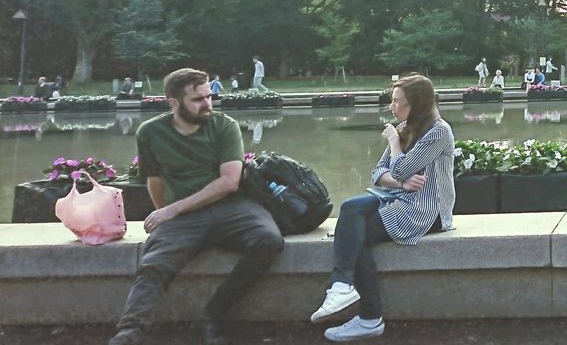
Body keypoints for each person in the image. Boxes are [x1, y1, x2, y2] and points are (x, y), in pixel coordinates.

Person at [108, 68, 282, 345]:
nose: (207, 104)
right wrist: (167, 214)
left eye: (208, 96)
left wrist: (172, 210)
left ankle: (213, 314)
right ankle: (129, 332)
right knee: (154, 264)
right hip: (185, 215)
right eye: (198, 99)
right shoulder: (150, 132)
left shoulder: (225, 125)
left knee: (269, 241)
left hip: (232, 207)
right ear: (173, 103)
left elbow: (229, 182)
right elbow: (155, 180)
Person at [310, 74, 454, 342]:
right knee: (351, 207)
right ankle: (341, 285)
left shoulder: (439, 132)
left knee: (357, 234)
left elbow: (397, 167)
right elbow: (378, 174)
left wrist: (393, 142)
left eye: (398, 102)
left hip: (426, 210)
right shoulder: (405, 127)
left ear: (418, 104)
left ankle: (370, 317)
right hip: (397, 198)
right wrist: (401, 182)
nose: (392, 107)